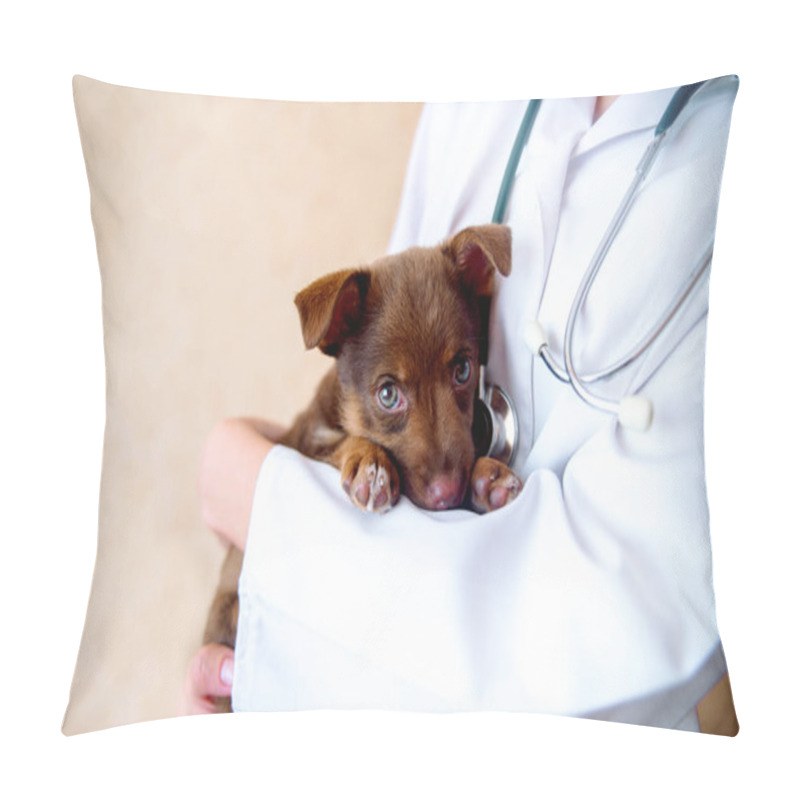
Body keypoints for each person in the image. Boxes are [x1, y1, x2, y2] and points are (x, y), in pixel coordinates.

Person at [184, 81, 738, 732]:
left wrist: (262, 495)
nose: (438, 448)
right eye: (392, 394)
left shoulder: (739, 151)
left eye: (460, 373)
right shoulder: (472, 88)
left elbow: (636, 623)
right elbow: (393, 318)